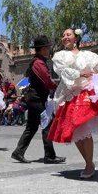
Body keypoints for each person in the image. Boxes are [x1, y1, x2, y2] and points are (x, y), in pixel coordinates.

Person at [47, 28, 98, 178]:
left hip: (86, 93)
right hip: (69, 95)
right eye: (63, 35)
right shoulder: (59, 56)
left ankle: (89, 164)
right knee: (75, 131)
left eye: (68, 35)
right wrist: (79, 73)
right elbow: (62, 70)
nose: (65, 37)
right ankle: (88, 162)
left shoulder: (88, 55)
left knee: (84, 127)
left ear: (76, 38)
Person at [11, 35, 66, 164]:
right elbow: (46, 80)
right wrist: (58, 87)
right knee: (47, 124)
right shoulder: (38, 63)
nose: (49, 49)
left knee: (32, 126)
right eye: (47, 47)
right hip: (36, 99)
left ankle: (18, 152)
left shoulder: (38, 62)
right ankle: (49, 155)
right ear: (41, 49)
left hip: (34, 98)